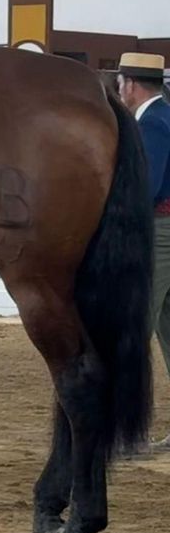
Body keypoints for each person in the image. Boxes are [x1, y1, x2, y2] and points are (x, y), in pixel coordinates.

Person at [117, 51, 170, 450]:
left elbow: (145, 188)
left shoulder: (151, 123)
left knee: (134, 330)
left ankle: (127, 434)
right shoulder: (163, 116)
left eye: (120, 84)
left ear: (130, 85)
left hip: (158, 234)